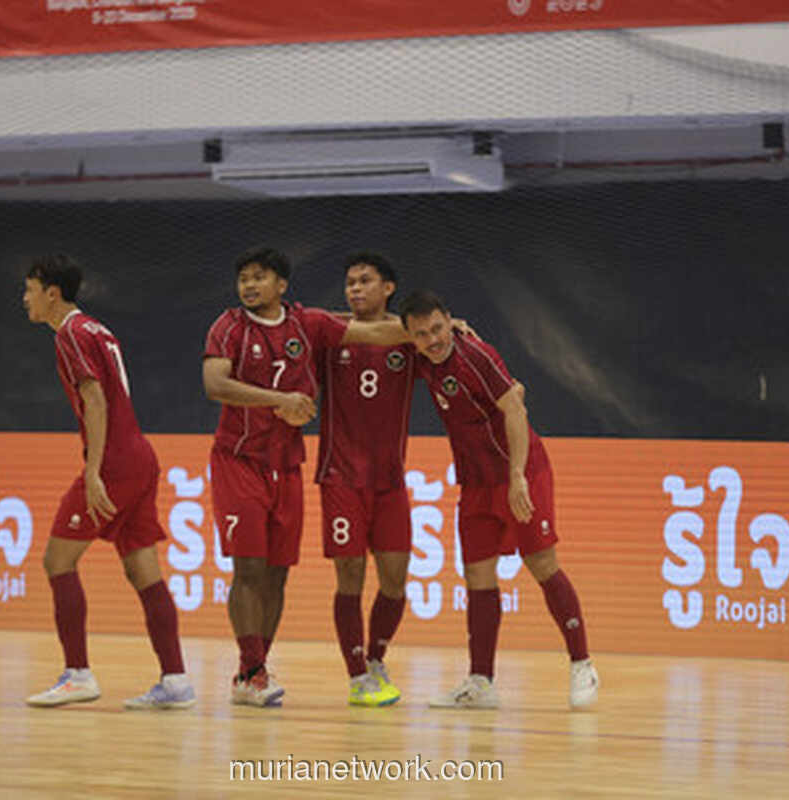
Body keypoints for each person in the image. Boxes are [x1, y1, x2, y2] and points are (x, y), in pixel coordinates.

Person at [202, 246, 412, 708]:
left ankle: (251, 671)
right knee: (249, 568)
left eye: (259, 277)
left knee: (277, 574)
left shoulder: (306, 324)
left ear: (282, 285)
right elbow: (215, 385)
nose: (249, 286)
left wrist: (438, 329)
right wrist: (277, 401)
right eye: (244, 279)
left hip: (287, 465)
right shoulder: (228, 327)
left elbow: (371, 330)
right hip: (239, 461)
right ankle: (254, 670)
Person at [397, 289, 600, 710]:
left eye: (438, 328)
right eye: (422, 334)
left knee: (542, 565)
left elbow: (516, 410)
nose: (433, 340)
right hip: (475, 484)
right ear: (411, 337)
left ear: (449, 320)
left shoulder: (477, 355)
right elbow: (370, 325)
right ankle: (481, 681)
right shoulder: (422, 357)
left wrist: (517, 478)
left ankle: (582, 664)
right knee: (478, 576)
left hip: (520, 474)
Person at [21, 254, 195, 711]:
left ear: (51, 293)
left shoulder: (71, 334)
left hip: (116, 461)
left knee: (57, 561)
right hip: (140, 456)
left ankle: (78, 673)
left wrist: (94, 469)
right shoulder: (98, 329)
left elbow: (94, 398)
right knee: (144, 572)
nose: (25, 299)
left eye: (29, 290)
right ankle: (176, 681)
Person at [315, 253, 414, 707]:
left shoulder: (410, 338)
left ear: (388, 288)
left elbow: (442, 346)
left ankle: (375, 658)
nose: (354, 289)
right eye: (349, 282)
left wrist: (453, 328)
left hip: (389, 479)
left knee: (395, 579)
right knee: (350, 574)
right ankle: (357, 675)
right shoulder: (330, 335)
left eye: (365, 281)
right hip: (341, 475)